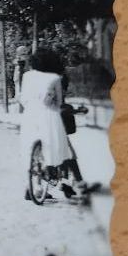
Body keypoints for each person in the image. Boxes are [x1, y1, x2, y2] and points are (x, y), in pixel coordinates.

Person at [20, 47, 86, 199]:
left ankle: (33, 187)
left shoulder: (27, 76)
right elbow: (59, 103)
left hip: (30, 115)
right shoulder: (55, 78)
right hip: (49, 116)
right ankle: (69, 182)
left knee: (32, 150)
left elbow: (23, 99)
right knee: (61, 148)